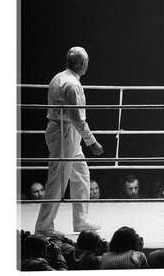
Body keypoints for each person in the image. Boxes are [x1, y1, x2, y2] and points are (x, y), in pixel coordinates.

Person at [35, 46, 103, 236]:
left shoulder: (59, 77)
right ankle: (44, 226)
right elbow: (77, 118)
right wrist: (92, 142)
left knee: (81, 175)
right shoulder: (71, 84)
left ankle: (80, 221)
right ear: (82, 63)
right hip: (65, 132)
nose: (87, 66)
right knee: (57, 181)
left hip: (65, 132)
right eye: (87, 63)